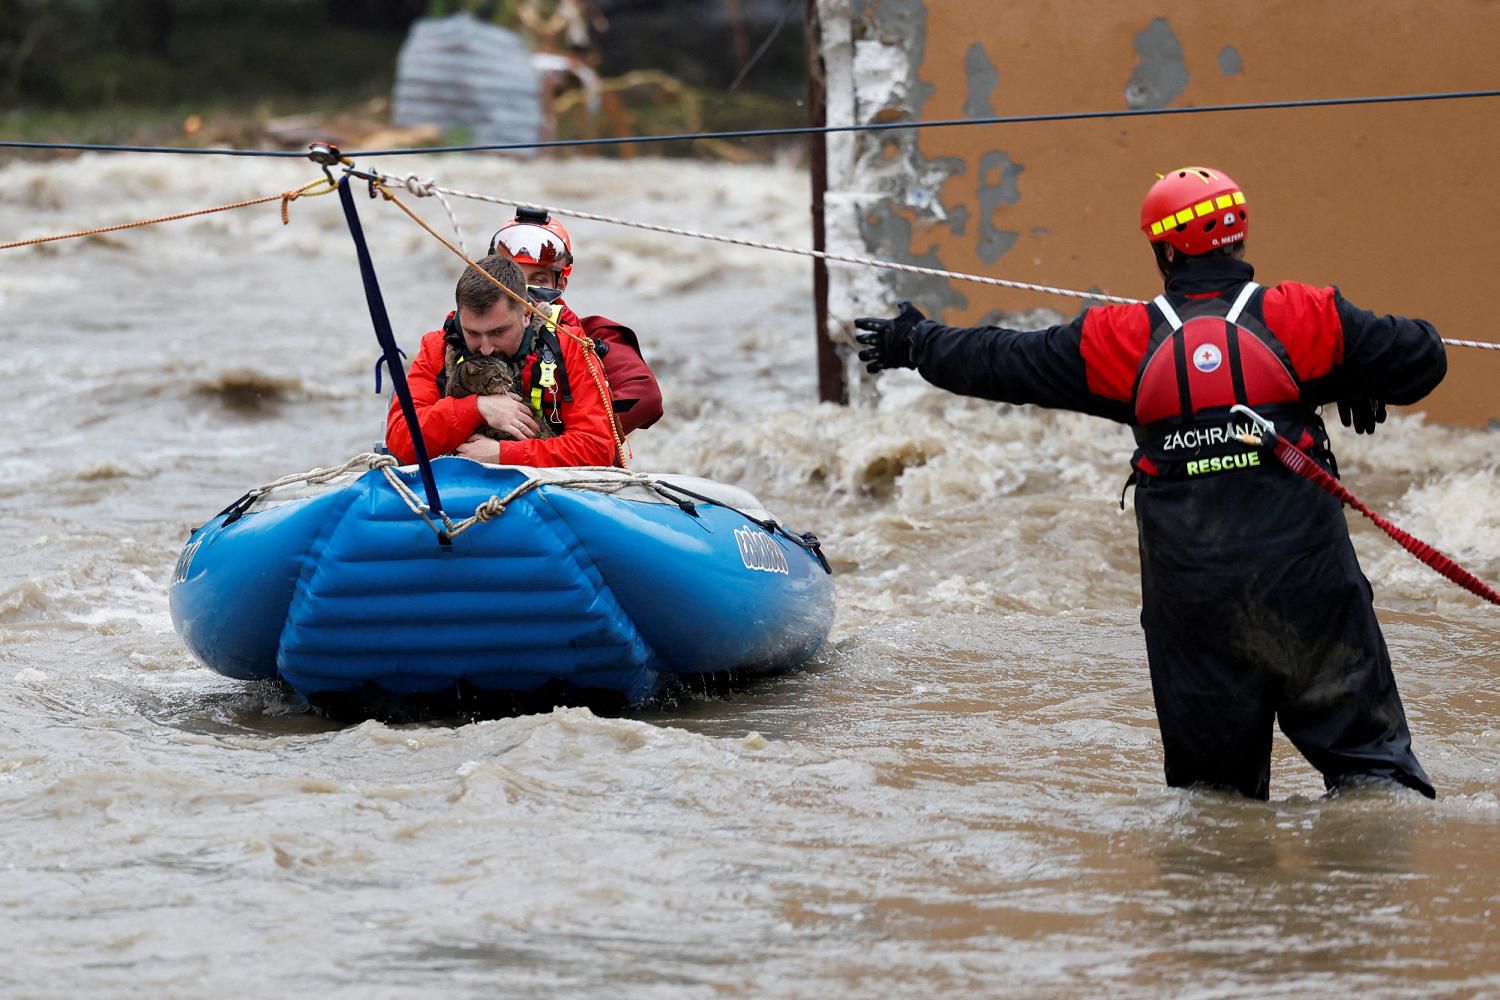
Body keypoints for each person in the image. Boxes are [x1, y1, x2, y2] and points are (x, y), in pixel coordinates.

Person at [854, 166, 1447, 800]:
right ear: (1237, 238)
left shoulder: (1119, 338)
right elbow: (1424, 355)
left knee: (1212, 802)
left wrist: (914, 341)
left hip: (1194, 604)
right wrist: (1350, 378)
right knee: (1375, 780)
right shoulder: (1307, 315)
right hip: (1310, 589)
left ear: (1164, 250)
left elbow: (1002, 361)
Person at [385, 254, 621, 468]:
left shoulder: (569, 347)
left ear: (526, 314)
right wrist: (475, 408)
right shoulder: (437, 347)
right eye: (473, 334)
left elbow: (597, 449)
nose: (486, 349)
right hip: (459, 491)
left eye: (499, 332)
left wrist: (503, 453)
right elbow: (401, 440)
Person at [487, 207, 664, 436]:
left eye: (538, 279)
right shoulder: (472, 332)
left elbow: (645, 397)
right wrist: (474, 409)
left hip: (564, 459)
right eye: (514, 278)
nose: (524, 292)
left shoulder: (594, 336)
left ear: (559, 286)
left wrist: (577, 438)